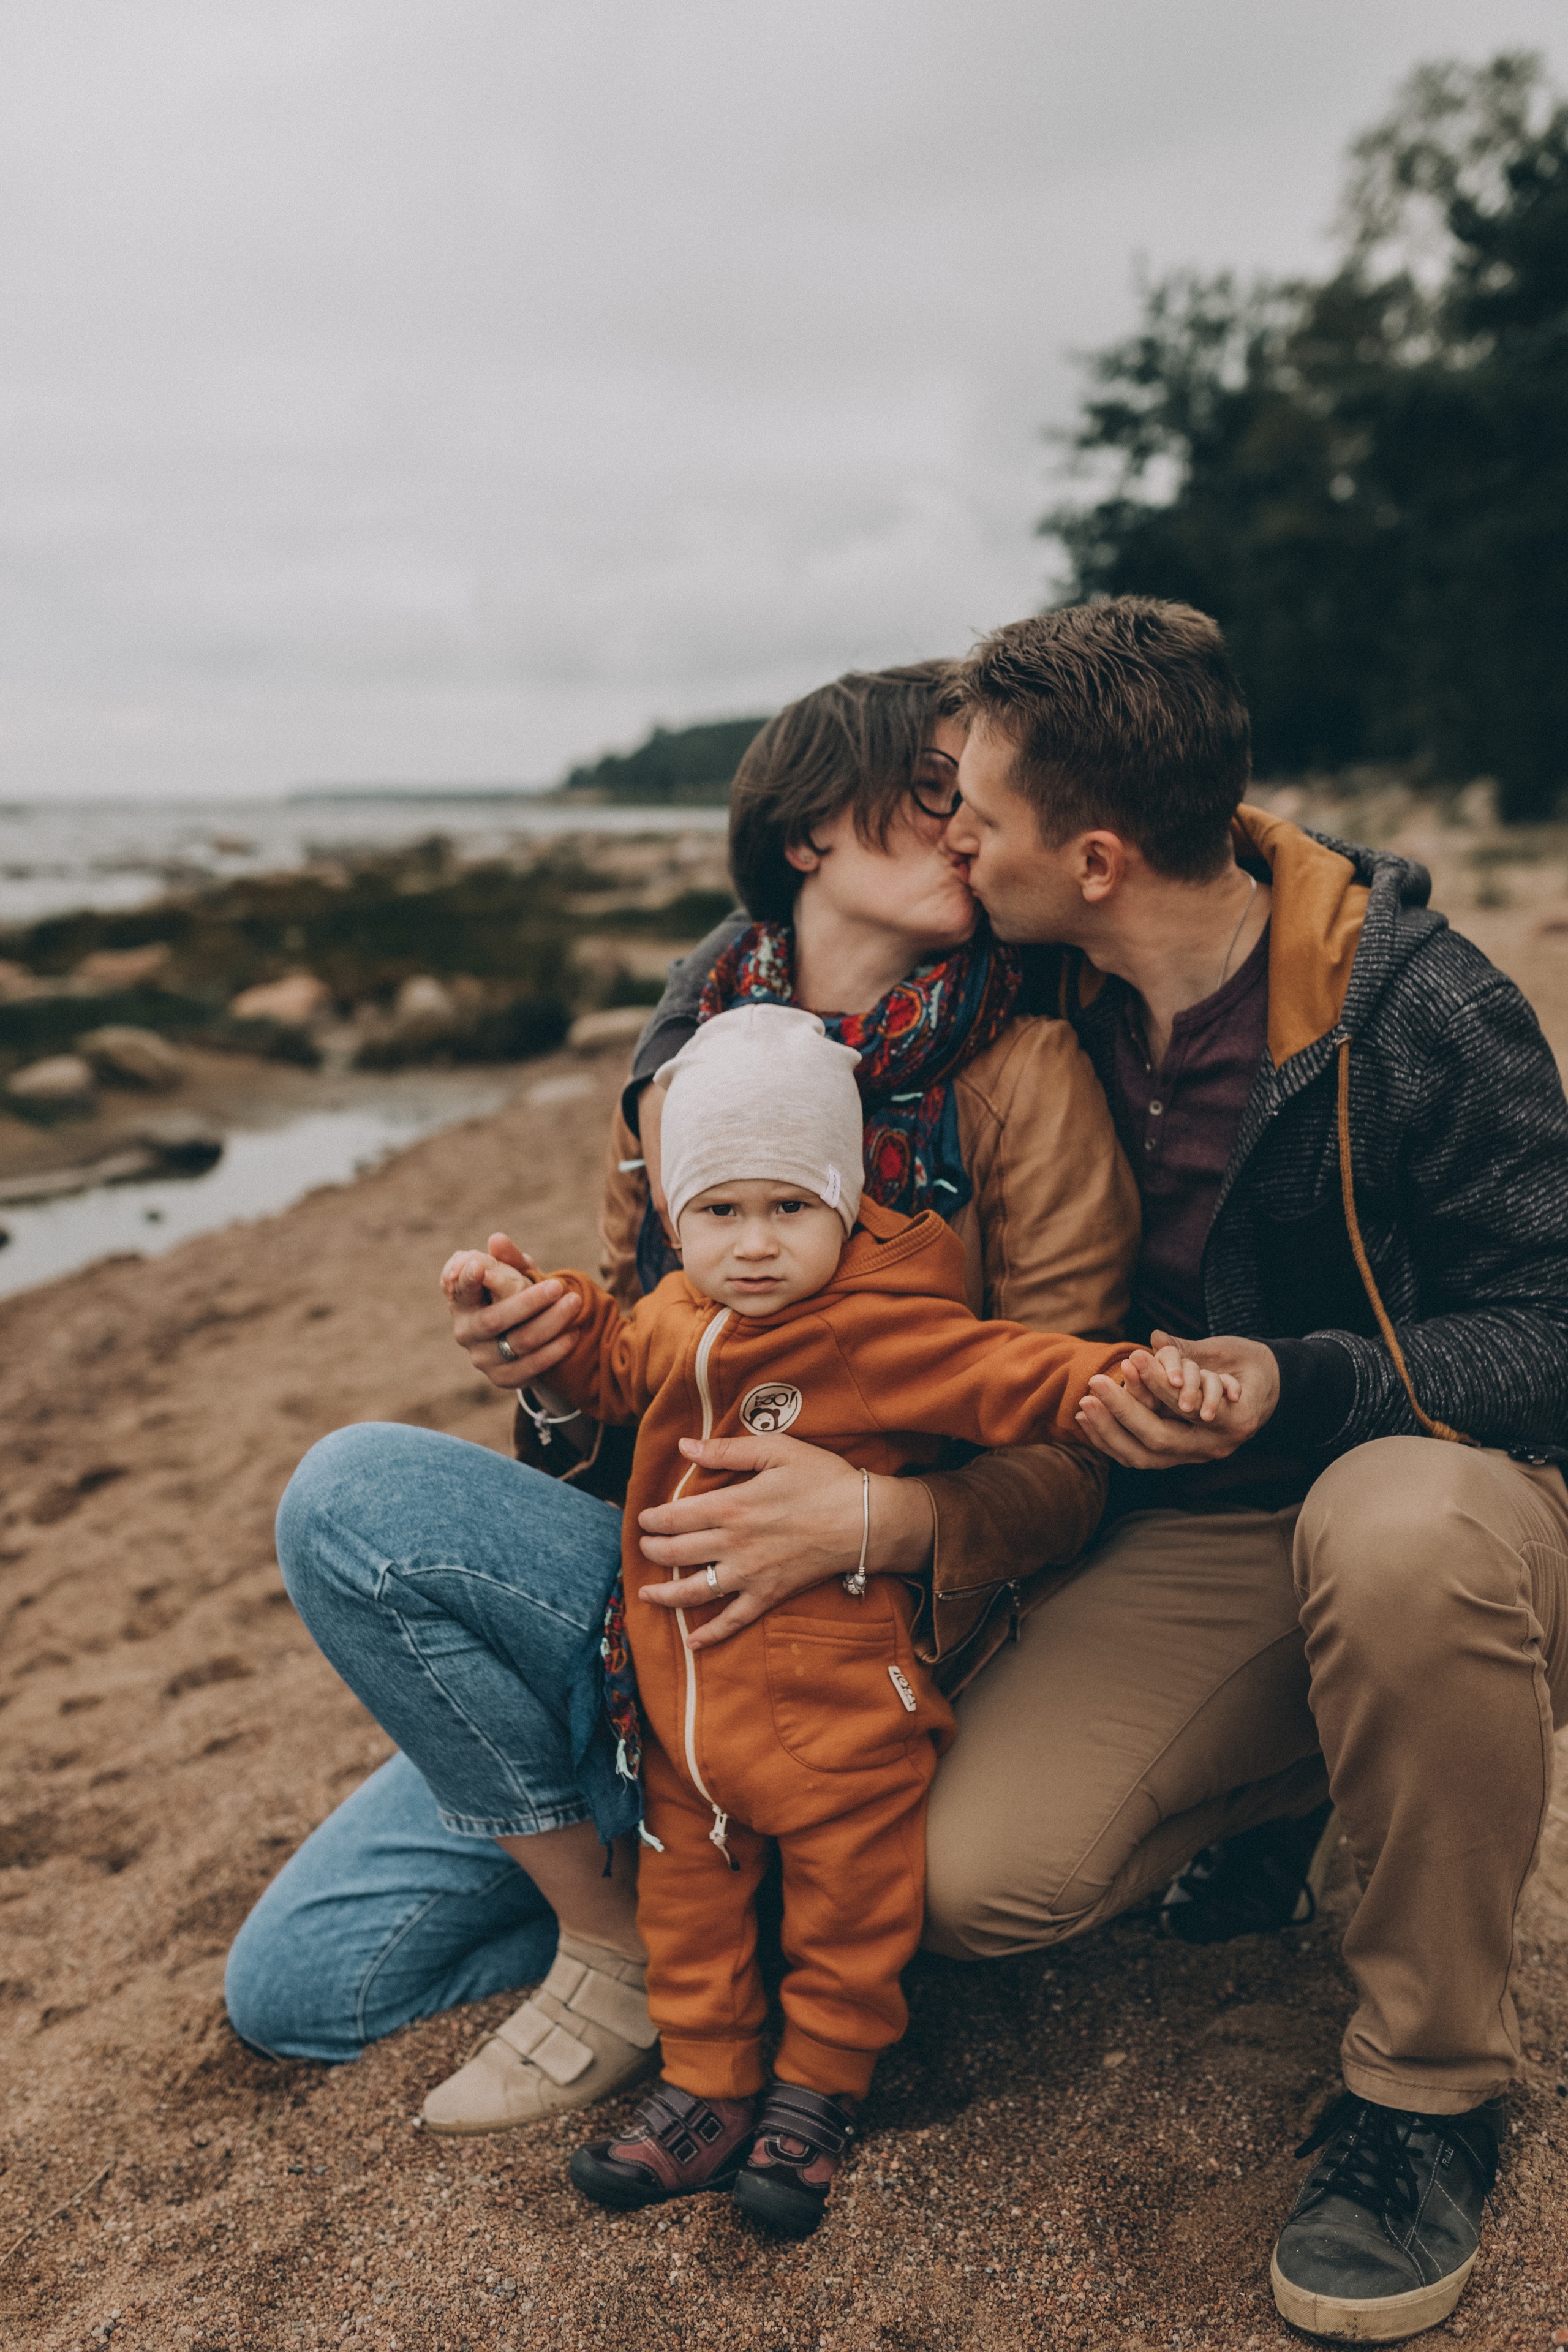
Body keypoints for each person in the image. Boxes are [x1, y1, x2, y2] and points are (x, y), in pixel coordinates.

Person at [225, 662, 1138, 2141]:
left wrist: (880, 1514)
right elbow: (626, 1396)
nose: (964, 829)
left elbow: (1072, 1438)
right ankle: (640, 1929)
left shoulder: (1023, 1075)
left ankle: (682, 1924)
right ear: (805, 835)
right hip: (655, 1620)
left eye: (971, 800)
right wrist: (544, 1374)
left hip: (868, 1634)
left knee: (347, 1487)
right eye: (926, 794)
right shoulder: (673, 1079)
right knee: (302, 1993)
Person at [921, 598, 1566, 2343]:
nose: (949, 838)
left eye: (975, 812)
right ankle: (1303, 1785)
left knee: (1399, 1535)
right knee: (974, 1891)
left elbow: (1560, 1326)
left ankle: (1430, 2093)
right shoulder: (1017, 984)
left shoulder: (1417, 1008)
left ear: (1101, 854)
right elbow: (769, 953)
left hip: (1445, 1495)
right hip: (1196, 1540)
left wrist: (1312, 1374)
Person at [460, 1001, 1159, 2236]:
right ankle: (707, 2091)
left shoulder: (878, 1330)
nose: (757, 1246)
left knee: (851, 1916)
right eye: (721, 1212)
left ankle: (816, 2097)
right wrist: (542, 1314)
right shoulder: (672, 1317)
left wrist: (1115, 1379)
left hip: (841, 1717)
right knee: (690, 1925)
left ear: (844, 1205)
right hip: (688, 1722)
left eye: (793, 1209)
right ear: (677, 1217)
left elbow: (1012, 1368)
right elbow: (605, 1365)